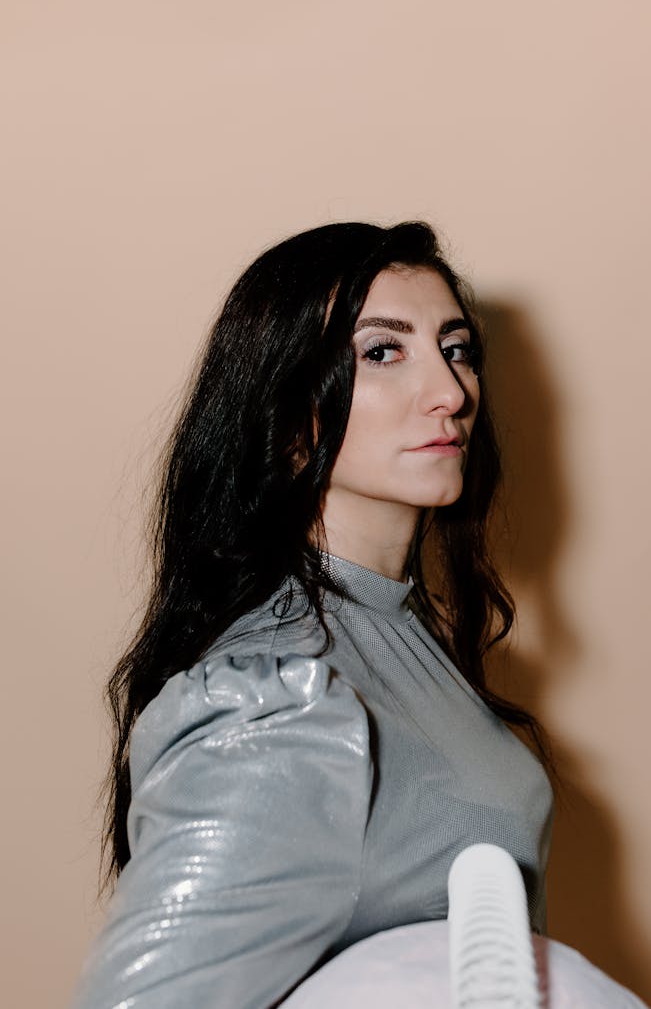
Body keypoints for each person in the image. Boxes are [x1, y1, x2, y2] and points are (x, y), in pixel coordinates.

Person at [72, 221, 554, 1009]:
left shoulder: (402, 636)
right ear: (288, 415)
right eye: (383, 351)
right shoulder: (276, 696)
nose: (454, 391)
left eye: (456, 348)